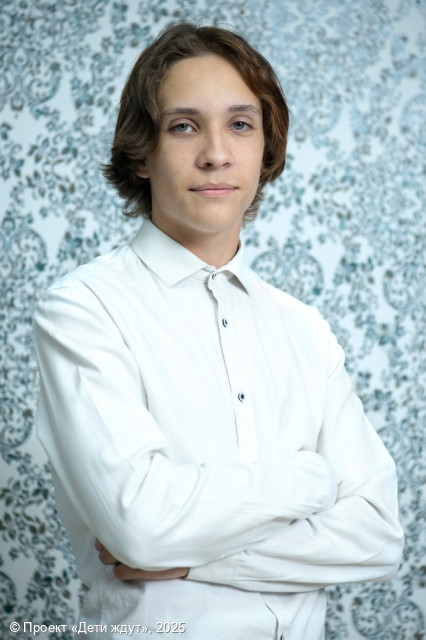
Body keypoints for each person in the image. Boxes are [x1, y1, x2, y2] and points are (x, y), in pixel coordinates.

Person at [34, 22, 404, 640]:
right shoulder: (84, 309)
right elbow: (141, 526)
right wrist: (312, 478)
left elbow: (377, 534)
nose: (216, 153)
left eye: (240, 124)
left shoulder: (304, 329)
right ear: (142, 152)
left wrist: (199, 559)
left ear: (265, 149)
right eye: (184, 126)